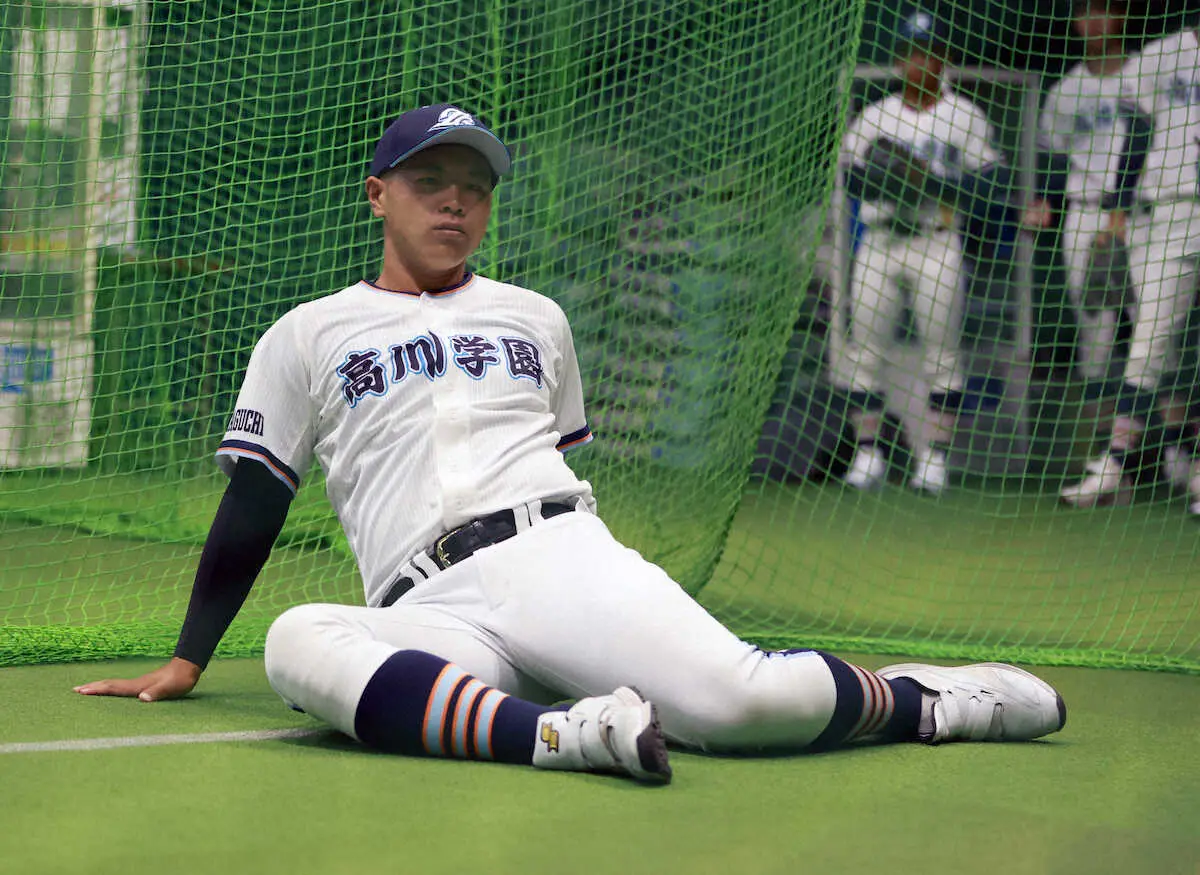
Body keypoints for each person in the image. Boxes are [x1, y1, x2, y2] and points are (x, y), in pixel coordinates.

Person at [74, 103, 1066, 783]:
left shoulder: (537, 316)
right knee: (298, 638)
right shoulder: (307, 332)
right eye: (431, 181)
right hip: (425, 606)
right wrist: (187, 657)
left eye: (473, 184)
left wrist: (598, 602)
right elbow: (255, 497)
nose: (456, 200)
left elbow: (562, 455)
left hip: (552, 553)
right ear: (379, 193)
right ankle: (561, 733)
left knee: (739, 702)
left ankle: (927, 699)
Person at [836, 9, 1010, 495]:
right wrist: (892, 176)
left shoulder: (965, 114)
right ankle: (867, 455)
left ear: (945, 59)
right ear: (898, 59)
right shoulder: (877, 114)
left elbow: (989, 181)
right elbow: (851, 176)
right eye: (911, 53)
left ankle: (933, 461)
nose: (919, 62)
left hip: (937, 239)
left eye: (929, 53)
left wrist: (928, 179)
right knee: (862, 351)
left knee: (944, 356)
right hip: (882, 239)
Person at [1058, 18, 1200, 513]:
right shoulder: (1163, 54)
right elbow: (1136, 134)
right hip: (1170, 213)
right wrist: (1117, 210)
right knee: (1147, 346)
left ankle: (1192, 465)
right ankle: (1114, 466)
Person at [1023, 0, 1149, 413]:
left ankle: (1170, 443)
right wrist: (1043, 200)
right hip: (1084, 212)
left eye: (1101, 10)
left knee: (1152, 322)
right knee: (1094, 331)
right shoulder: (1064, 90)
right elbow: (1053, 159)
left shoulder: (1149, 72)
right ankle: (1103, 445)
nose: (1092, 22)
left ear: (1121, 16)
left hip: (1146, 213)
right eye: (1083, 13)